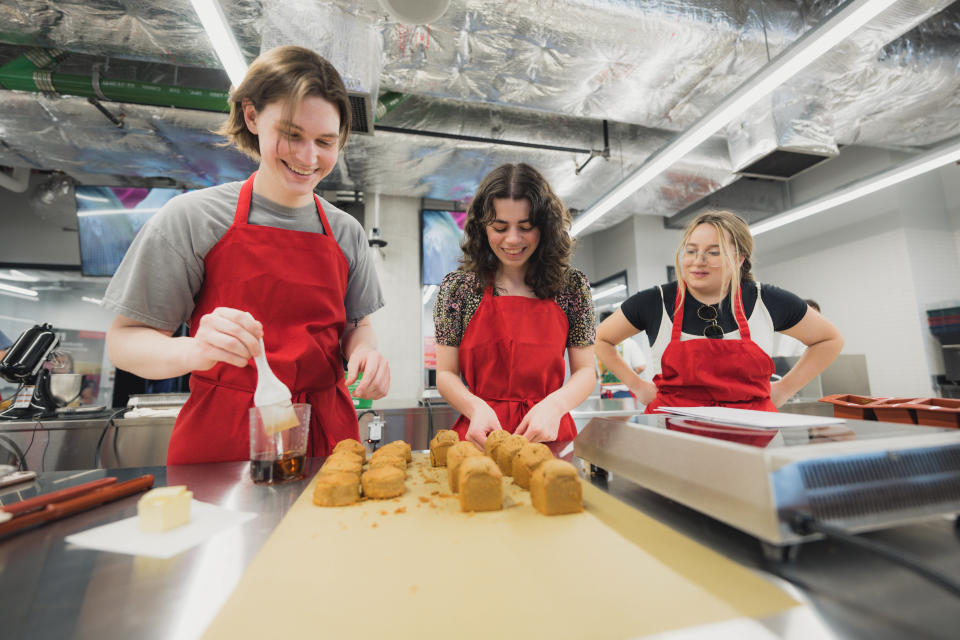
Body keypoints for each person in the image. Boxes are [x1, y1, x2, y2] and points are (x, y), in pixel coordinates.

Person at [104, 46, 389, 464]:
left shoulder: (346, 232)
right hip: (226, 436)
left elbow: (356, 326)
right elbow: (124, 342)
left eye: (325, 142)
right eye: (292, 135)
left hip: (326, 436)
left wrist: (364, 352)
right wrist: (196, 351)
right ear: (252, 116)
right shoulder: (194, 218)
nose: (309, 158)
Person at [596, 210, 842, 413]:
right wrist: (638, 387)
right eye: (691, 251)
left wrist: (784, 390)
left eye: (713, 252)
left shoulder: (764, 300)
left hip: (753, 431)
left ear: (739, 259)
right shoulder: (656, 301)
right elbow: (600, 339)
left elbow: (829, 340)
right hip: (674, 431)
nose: (698, 260)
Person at [433, 163, 596, 448]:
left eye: (525, 227)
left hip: (548, 435)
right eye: (499, 227)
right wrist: (474, 407)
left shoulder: (571, 287)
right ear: (482, 228)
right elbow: (446, 373)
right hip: (480, 437)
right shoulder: (458, 289)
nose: (512, 239)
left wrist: (555, 406)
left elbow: (585, 371)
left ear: (545, 227)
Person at [596, 309, 645, 398]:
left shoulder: (595, 345)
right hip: (625, 391)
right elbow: (640, 367)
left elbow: (594, 373)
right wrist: (624, 376)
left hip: (605, 393)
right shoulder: (629, 342)